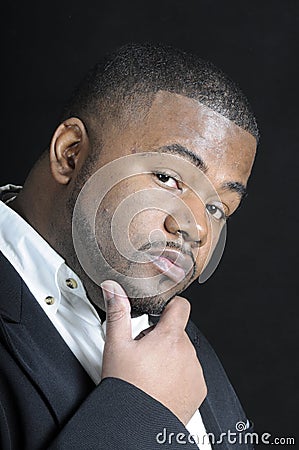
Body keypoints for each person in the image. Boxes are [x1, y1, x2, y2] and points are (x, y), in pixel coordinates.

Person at [0, 43, 259, 449]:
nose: (197, 228)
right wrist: (139, 410)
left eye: (217, 207)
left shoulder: (183, 347)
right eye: (167, 177)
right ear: (69, 154)